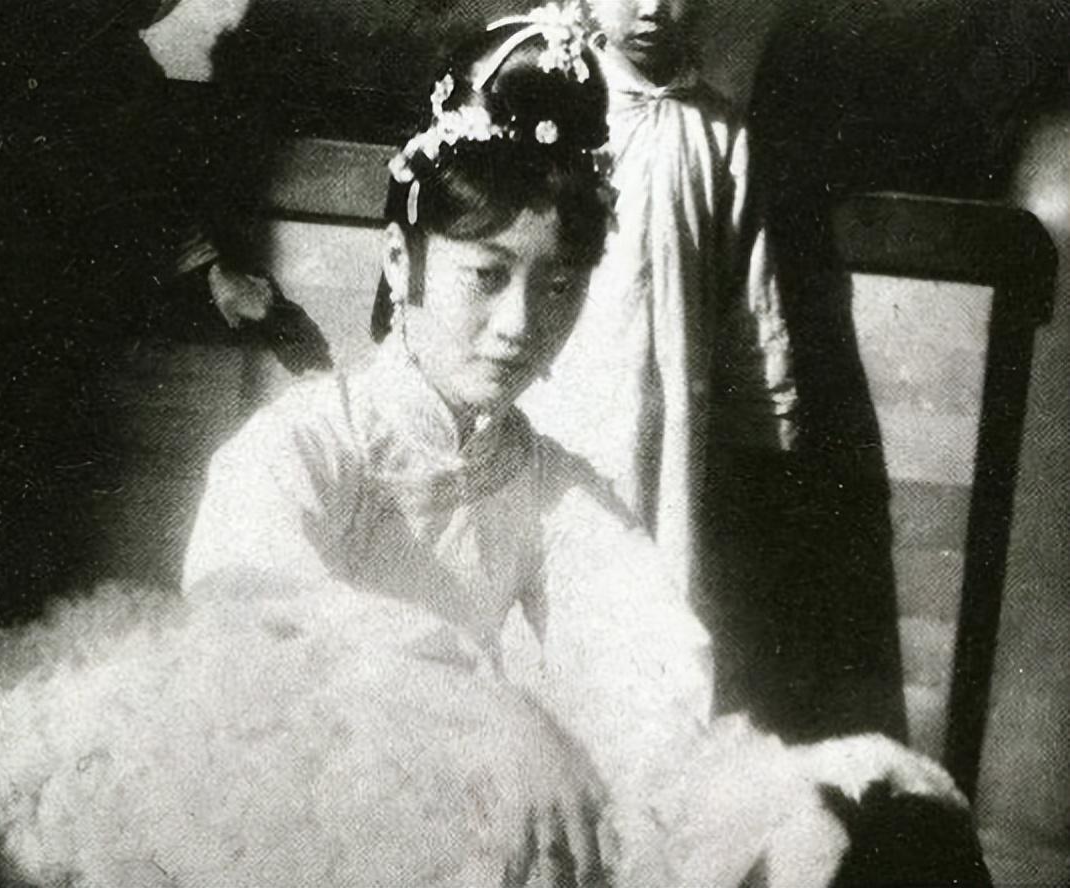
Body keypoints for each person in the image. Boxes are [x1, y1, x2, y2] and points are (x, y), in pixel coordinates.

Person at [184, 6, 966, 886]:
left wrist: (762, 806)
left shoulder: (548, 485)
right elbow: (245, 605)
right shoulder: (304, 445)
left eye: (560, 285)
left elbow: (643, 669)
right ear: (401, 261)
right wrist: (487, 713)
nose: (521, 325)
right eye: (486, 275)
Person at [516, 0, 798, 602]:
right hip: (557, 393)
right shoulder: (549, 102)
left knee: (650, 580)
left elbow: (750, 295)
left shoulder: (719, 132)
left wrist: (765, 423)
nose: (651, 9)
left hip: (666, 412)